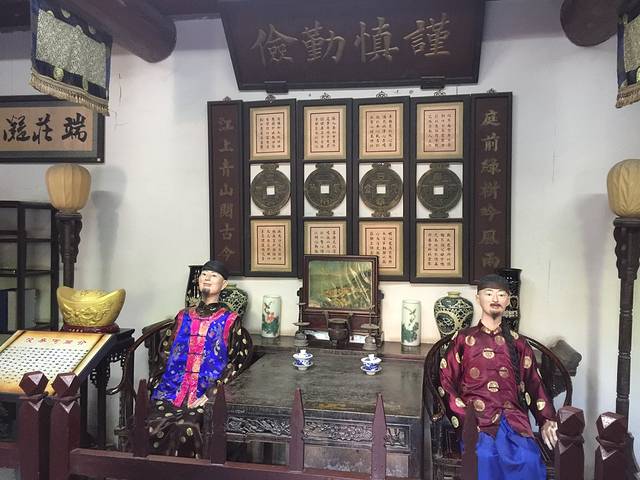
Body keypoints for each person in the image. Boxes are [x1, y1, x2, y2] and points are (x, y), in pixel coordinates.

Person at [439, 274, 558, 479]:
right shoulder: (463, 339)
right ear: (478, 298)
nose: (495, 299)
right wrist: (465, 418)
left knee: (528, 457)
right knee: (484, 457)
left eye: (501, 294)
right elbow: (445, 382)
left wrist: (547, 419)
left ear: (508, 301)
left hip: (513, 419)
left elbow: (534, 383)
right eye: (489, 293)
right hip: (476, 419)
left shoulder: (518, 343)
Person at [148, 260, 241, 457]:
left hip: (204, 396)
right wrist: (157, 384)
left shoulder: (230, 320)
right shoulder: (183, 316)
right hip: (171, 391)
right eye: (204, 274)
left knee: (188, 428)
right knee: (150, 423)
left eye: (214, 276)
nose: (207, 278)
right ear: (198, 281)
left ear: (224, 284)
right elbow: (165, 354)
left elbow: (235, 364)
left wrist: (213, 392)